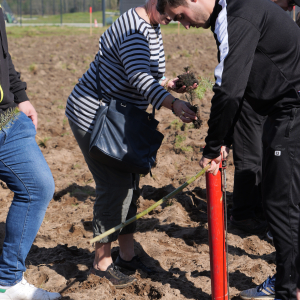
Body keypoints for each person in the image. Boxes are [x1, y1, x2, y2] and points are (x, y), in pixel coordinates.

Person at [157, 0, 300, 299]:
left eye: (180, 15)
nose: (184, 24)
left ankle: (289, 291)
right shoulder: (236, 9)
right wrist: (223, 140)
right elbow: (243, 83)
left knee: (281, 207)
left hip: (292, 112)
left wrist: (211, 147)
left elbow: (230, 90)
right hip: (283, 110)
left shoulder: (237, 15)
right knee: (285, 204)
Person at [65, 0, 197, 289]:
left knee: (130, 180)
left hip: (120, 113)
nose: (175, 20)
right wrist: (173, 104)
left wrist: (167, 84)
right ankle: (102, 262)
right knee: (113, 184)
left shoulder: (151, 24)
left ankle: (126, 254)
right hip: (94, 113)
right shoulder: (135, 30)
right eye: (173, 15)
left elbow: (143, 73)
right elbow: (138, 78)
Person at [0, 6, 61, 300]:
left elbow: (2, 54)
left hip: (7, 117)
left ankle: (8, 282)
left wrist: (20, 95)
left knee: (38, 186)